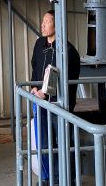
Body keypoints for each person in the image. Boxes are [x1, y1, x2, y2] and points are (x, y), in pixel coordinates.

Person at [31, 9, 81, 184]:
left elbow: (64, 76)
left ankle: (67, 179)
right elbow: (35, 67)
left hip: (59, 105)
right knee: (44, 144)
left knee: (63, 142)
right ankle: (49, 178)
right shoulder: (39, 44)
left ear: (57, 25)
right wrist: (33, 87)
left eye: (47, 21)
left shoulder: (68, 50)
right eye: (43, 21)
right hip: (40, 102)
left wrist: (45, 93)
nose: (43, 25)